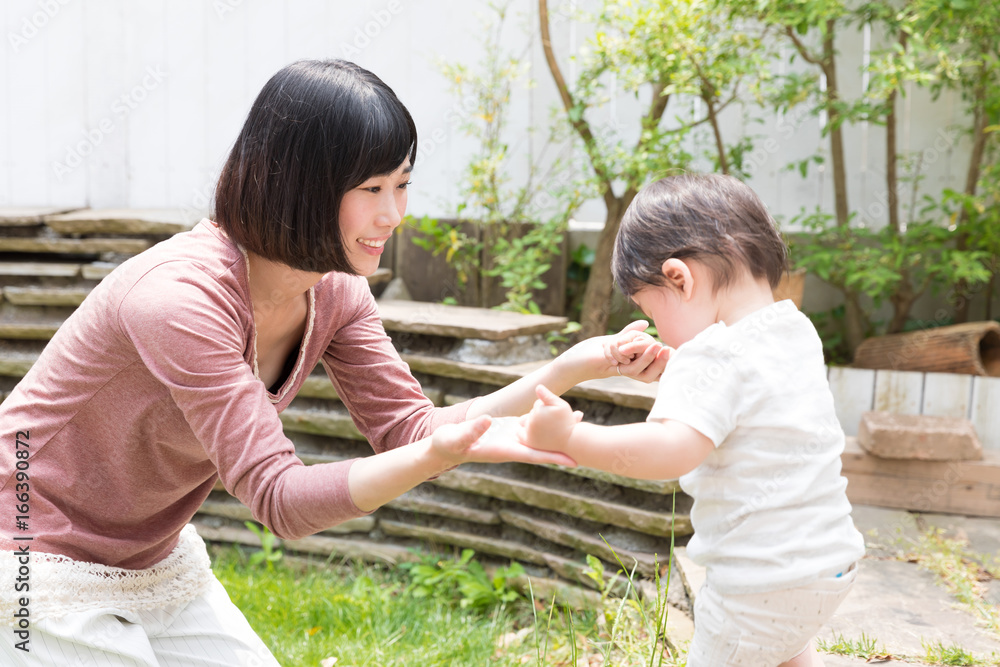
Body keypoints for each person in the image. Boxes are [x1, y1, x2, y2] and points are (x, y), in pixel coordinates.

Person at [0, 59, 669, 665]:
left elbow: (411, 427)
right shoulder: (181, 301)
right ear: (297, 186)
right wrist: (439, 456)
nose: (393, 213)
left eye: (402, 185)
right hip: (29, 552)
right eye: (371, 187)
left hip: (147, 556)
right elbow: (281, 500)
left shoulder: (334, 289)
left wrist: (569, 368)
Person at [518, 173, 866, 667]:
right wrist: (678, 372)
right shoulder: (793, 329)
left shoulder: (712, 356)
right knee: (784, 648)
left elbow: (668, 451)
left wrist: (570, 437)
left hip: (759, 584)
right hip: (829, 566)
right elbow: (747, 408)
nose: (659, 328)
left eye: (649, 308)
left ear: (680, 278)